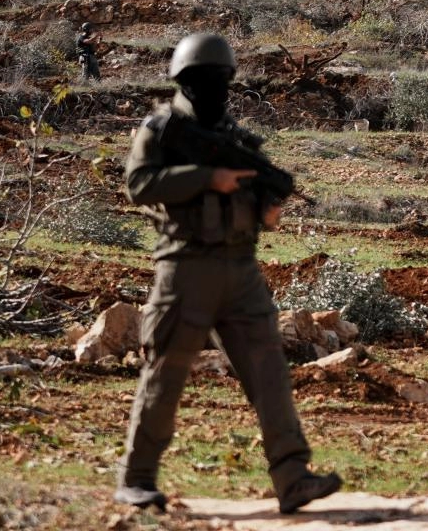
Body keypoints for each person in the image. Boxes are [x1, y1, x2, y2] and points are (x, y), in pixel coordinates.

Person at [114, 33, 340, 514]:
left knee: (269, 375)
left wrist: (265, 205)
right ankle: (136, 480)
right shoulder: (161, 129)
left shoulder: (233, 139)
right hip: (185, 267)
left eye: (218, 80)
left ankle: (293, 478)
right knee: (166, 373)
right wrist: (206, 178)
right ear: (182, 81)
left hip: (241, 271)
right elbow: (137, 185)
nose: (211, 87)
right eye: (201, 80)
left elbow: (255, 206)